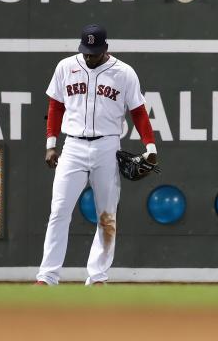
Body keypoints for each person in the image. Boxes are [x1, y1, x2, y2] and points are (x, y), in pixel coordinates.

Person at [35, 23, 158, 285]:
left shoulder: (124, 73)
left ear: (105, 49)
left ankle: (98, 277)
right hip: (73, 145)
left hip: (107, 145)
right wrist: (50, 144)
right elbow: (55, 107)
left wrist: (151, 147)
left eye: (94, 52)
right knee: (59, 211)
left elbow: (138, 112)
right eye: (86, 52)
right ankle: (47, 276)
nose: (89, 57)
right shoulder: (66, 67)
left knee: (106, 215)